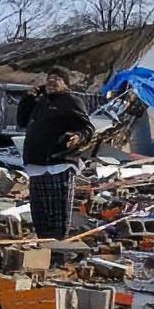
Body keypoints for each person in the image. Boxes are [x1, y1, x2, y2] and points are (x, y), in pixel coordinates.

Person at [17, 66, 94, 240]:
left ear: (66, 84)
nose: (52, 82)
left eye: (58, 79)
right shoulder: (40, 103)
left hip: (59, 163)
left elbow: (87, 127)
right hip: (36, 163)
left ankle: (58, 249)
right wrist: (27, 100)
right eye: (50, 78)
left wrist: (78, 137)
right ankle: (43, 247)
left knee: (58, 213)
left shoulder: (71, 101)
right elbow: (21, 121)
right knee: (40, 213)